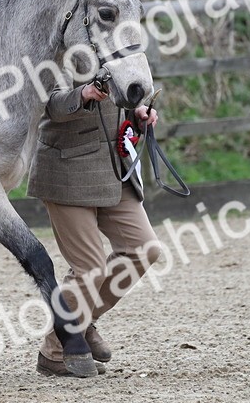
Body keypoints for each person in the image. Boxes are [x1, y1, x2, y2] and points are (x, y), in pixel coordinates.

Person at [27, 77, 162, 376]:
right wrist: (82, 93)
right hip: (67, 170)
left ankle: (75, 325)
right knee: (90, 269)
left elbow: (126, 93)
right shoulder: (60, 44)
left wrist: (136, 112)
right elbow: (48, 104)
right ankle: (55, 353)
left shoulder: (118, 46)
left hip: (114, 169)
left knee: (144, 249)